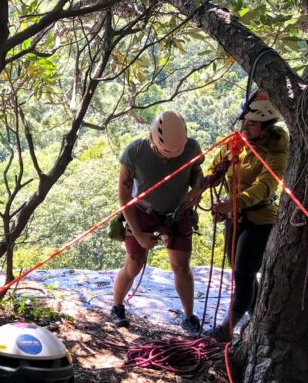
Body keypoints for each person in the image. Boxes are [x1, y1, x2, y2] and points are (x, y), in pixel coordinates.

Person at [110, 111, 204, 336]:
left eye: (176, 152)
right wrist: (139, 234)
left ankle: (189, 316)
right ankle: (117, 306)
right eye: (167, 152)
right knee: (134, 263)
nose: (172, 156)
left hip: (178, 211)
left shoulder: (191, 148)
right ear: (152, 138)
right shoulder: (135, 152)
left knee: (181, 266)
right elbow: (124, 197)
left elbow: (196, 173)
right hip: (142, 212)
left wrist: (198, 189)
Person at [207, 91, 288, 342]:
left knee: (243, 273)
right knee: (243, 273)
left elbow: (265, 186)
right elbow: (216, 167)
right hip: (234, 217)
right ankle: (256, 320)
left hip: (260, 221)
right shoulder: (238, 143)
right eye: (244, 121)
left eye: (251, 123)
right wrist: (209, 179)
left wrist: (235, 202)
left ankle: (226, 329)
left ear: (265, 127)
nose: (244, 127)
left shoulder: (276, 151)